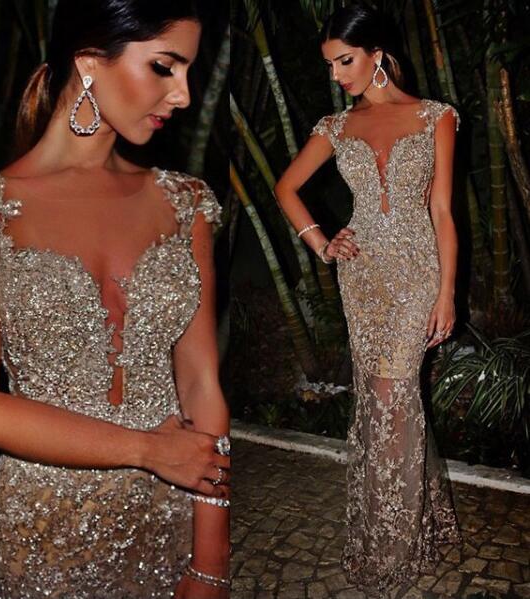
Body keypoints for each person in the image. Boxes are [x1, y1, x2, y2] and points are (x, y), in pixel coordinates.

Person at [0, 1, 230, 598]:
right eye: (165, 66)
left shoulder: (186, 204)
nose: (183, 95)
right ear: (90, 61)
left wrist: (211, 560)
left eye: (188, 72)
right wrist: (148, 450)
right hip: (45, 531)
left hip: (171, 513)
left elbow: (200, 383)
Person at [274, 3, 461, 597]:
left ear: (377, 54)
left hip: (416, 273)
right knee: (384, 400)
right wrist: (322, 242)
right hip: (362, 276)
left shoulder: (435, 117)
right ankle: (422, 524)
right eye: (330, 65)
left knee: (391, 394)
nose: (336, 74)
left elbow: (442, 212)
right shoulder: (335, 126)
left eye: (345, 61)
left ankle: (391, 545)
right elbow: (286, 187)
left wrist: (447, 292)